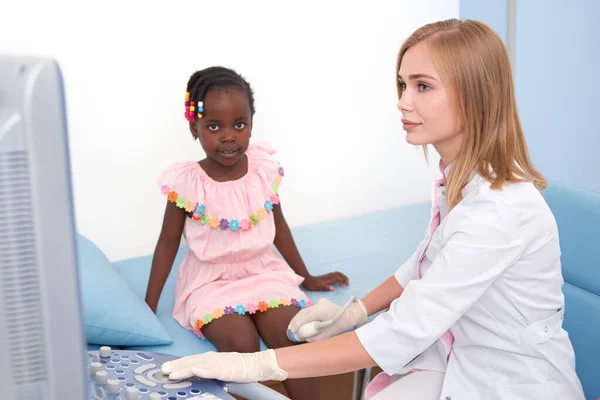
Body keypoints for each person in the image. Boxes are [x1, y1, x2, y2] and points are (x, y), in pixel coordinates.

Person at [159, 20, 585, 400]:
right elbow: (426, 260)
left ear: (476, 94)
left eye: (422, 86)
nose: (402, 101)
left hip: (514, 382)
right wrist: (356, 311)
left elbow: (403, 330)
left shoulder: (497, 211)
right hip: (463, 359)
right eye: (402, 85)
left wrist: (254, 366)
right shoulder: (460, 177)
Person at [145, 66, 350, 400]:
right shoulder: (187, 183)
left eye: (239, 125)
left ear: (251, 123)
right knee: (242, 347)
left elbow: (279, 226)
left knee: (289, 337)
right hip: (211, 282)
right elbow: (168, 244)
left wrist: (306, 276)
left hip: (262, 271)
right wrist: (148, 306)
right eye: (214, 126)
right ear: (193, 127)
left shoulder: (262, 172)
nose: (229, 136)